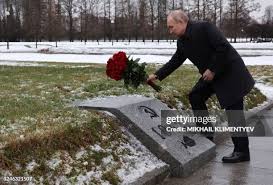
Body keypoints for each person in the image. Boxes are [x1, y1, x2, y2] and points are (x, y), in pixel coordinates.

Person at [147, 10, 255, 163]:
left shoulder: (204, 28)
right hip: (211, 75)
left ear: (181, 22)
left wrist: (212, 69)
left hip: (230, 72)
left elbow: (223, 47)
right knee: (195, 96)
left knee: (234, 112)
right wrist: (157, 75)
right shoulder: (182, 40)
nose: (170, 31)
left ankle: (242, 152)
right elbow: (176, 60)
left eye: (171, 27)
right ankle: (207, 135)